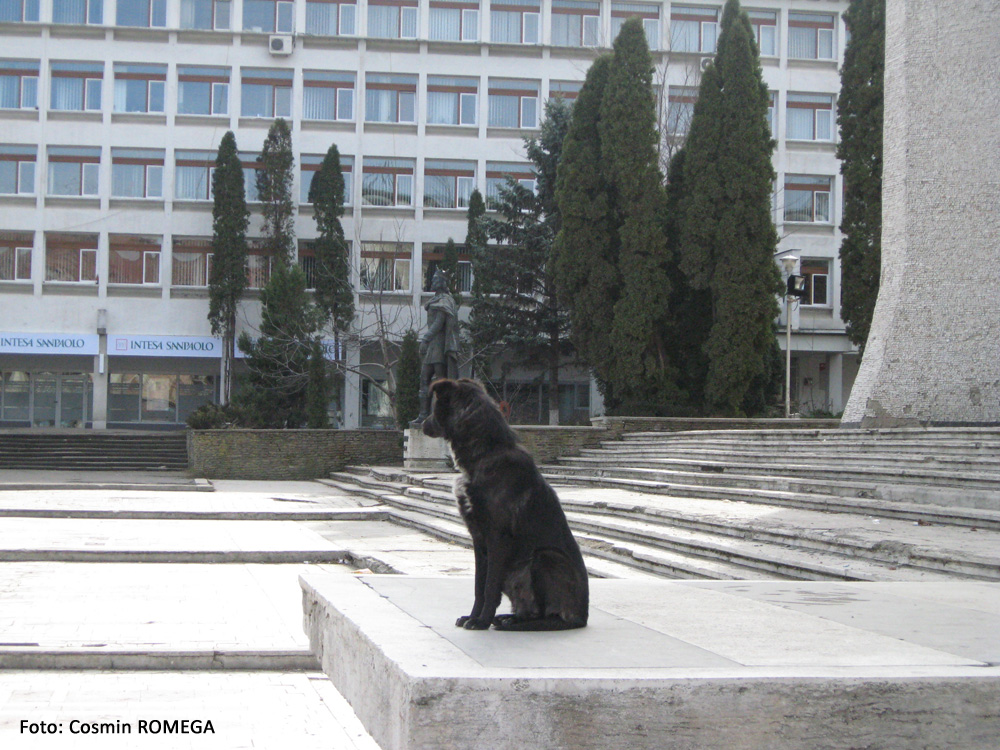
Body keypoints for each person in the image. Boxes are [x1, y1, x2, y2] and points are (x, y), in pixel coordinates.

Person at [415, 269, 460, 423]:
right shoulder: (435, 299)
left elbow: (438, 323)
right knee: (424, 379)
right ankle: (423, 416)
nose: (432, 282)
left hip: (439, 346)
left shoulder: (445, 300)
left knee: (440, 383)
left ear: (441, 282)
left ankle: (443, 416)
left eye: (435, 280)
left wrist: (426, 339)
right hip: (432, 346)